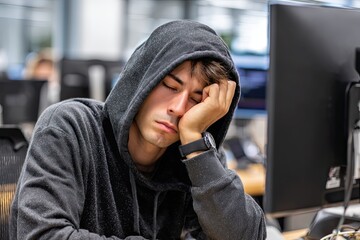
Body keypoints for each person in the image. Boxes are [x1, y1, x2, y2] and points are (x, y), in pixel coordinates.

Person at [10, 20, 266, 240]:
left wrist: (196, 146)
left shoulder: (195, 155)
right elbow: (42, 234)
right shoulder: (69, 128)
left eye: (197, 100)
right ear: (143, 78)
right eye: (170, 85)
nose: (178, 108)